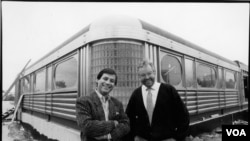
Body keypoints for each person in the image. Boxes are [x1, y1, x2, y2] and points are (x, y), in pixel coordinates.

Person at [125, 59, 189, 141]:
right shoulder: (136, 94)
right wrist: (133, 137)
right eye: (143, 75)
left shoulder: (169, 90)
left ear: (154, 72)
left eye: (149, 73)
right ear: (139, 76)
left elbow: (184, 116)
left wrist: (177, 138)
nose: (147, 77)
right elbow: (128, 118)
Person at [76, 68, 130, 141]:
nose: (108, 82)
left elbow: (126, 125)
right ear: (97, 80)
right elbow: (86, 127)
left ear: (114, 85)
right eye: (105, 79)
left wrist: (110, 136)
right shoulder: (84, 101)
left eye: (112, 81)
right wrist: (114, 123)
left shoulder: (117, 103)